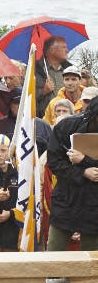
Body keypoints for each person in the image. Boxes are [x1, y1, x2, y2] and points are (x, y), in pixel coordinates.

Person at [47, 96, 98, 257]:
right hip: (67, 199)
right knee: (55, 254)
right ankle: (53, 279)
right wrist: (82, 172)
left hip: (94, 206)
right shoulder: (66, 127)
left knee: (91, 260)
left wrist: (84, 160)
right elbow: (54, 162)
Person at [35, 35, 72, 114]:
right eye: (63, 47)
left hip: (67, 119)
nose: (67, 50)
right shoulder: (35, 71)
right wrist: (43, 91)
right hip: (44, 120)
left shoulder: (70, 71)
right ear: (52, 50)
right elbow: (26, 98)